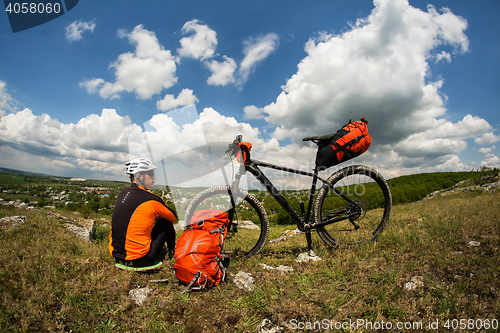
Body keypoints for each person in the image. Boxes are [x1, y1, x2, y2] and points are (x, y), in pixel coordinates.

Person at [109, 158, 177, 267]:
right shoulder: (153, 199)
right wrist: (158, 216)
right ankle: (172, 252)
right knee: (166, 222)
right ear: (139, 177)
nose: (154, 177)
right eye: (151, 174)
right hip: (140, 259)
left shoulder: (122, 194)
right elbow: (173, 217)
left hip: (116, 255)